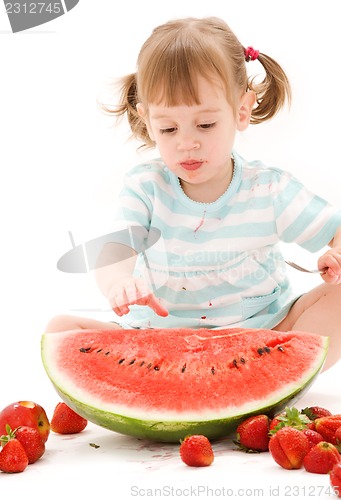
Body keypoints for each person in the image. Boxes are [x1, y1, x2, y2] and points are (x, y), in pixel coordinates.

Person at [46, 17, 341, 370]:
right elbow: (116, 250)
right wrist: (119, 282)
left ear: (241, 110)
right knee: (59, 334)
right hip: (157, 339)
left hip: (260, 335)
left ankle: (268, 381)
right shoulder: (146, 187)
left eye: (205, 124)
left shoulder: (269, 188)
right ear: (147, 120)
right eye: (168, 128)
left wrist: (336, 257)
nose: (187, 143)